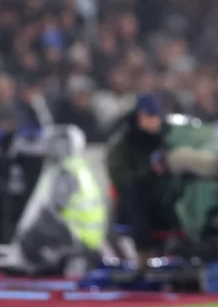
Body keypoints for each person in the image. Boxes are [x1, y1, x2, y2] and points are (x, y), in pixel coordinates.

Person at [14, 125, 106, 277]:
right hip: (90, 236)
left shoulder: (66, 172)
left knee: (35, 230)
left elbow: (55, 207)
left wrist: (27, 230)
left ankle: (44, 266)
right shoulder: (79, 167)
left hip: (78, 235)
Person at [106, 93, 169, 267]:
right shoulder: (122, 144)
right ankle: (144, 254)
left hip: (162, 200)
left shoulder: (166, 139)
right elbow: (122, 179)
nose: (153, 121)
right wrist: (149, 172)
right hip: (134, 203)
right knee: (138, 195)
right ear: (139, 116)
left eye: (156, 116)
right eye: (149, 116)